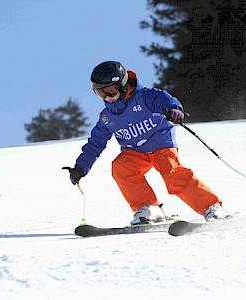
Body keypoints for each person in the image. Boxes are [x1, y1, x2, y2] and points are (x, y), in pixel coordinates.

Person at [65, 61, 229, 225]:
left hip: (161, 144)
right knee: (121, 166)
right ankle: (148, 208)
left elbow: (164, 99)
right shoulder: (108, 116)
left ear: (122, 85)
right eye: (101, 93)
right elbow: (95, 143)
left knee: (172, 174)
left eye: (111, 91)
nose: (107, 97)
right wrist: (81, 167)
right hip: (136, 151)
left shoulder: (144, 97)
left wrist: (174, 109)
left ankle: (211, 207)